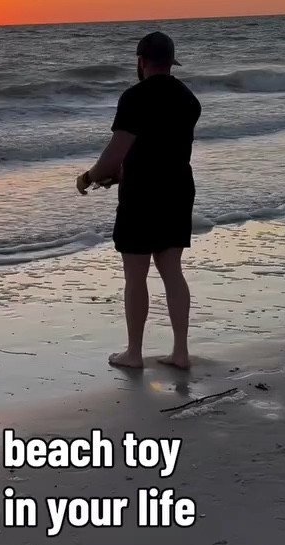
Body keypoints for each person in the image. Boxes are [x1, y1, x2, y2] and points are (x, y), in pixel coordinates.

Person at [76, 31, 201, 371]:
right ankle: (180, 352)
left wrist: (89, 176)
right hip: (177, 189)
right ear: (171, 62)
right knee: (172, 271)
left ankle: (134, 353)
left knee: (136, 275)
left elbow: (115, 154)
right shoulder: (188, 98)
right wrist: (119, 173)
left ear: (141, 61)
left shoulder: (134, 97)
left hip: (142, 194)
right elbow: (163, 151)